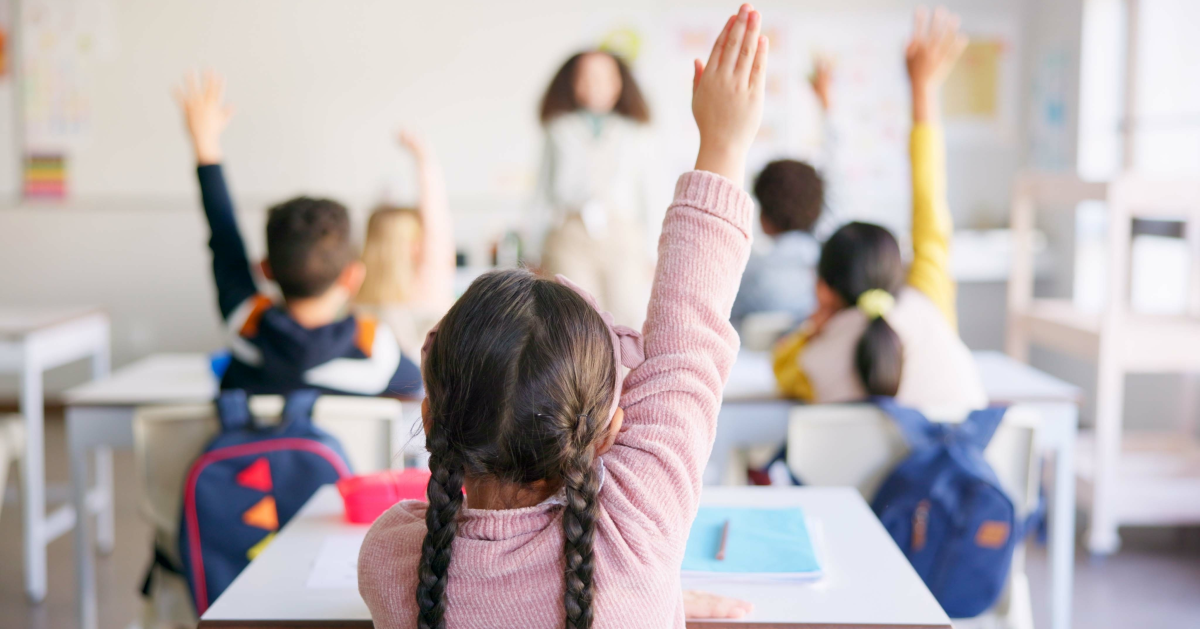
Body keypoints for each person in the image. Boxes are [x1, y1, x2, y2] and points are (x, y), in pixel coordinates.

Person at [357, 5, 767, 628]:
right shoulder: (639, 534)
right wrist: (725, 141)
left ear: (431, 416)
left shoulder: (391, 560)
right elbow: (687, 345)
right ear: (606, 432)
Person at [772, 7, 986, 411]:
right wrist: (923, 89)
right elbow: (930, 202)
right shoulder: (928, 300)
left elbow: (779, 364)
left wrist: (812, 329)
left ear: (822, 290)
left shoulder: (811, 363)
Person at [175, 72, 421, 397]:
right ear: (352, 277)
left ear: (264, 270)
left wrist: (205, 144)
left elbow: (224, 236)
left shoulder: (244, 325)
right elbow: (416, 390)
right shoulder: (378, 351)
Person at [529, 48, 659, 329]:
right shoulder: (557, 129)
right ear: (571, 84)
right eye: (585, 77)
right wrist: (532, 250)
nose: (595, 84)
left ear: (619, 83)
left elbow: (649, 193)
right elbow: (540, 194)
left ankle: (625, 375)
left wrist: (652, 251)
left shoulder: (636, 131)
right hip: (570, 235)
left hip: (623, 236)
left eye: (604, 77)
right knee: (572, 319)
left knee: (627, 315)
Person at [731, 56, 841, 329]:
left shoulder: (746, 278)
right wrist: (826, 105)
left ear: (764, 217)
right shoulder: (833, 277)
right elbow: (837, 164)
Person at [356, 130, 456, 359]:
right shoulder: (428, 287)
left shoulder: (356, 295)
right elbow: (437, 221)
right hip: (423, 392)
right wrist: (424, 157)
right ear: (413, 245)